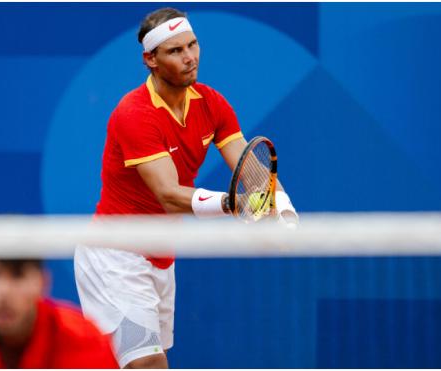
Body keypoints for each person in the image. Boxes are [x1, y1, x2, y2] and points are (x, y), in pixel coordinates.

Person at [73, 7, 299, 369]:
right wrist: (234, 205)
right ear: (151, 59)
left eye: (192, 45)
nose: (190, 57)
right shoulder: (134, 114)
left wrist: (283, 212)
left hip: (162, 258)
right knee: (147, 364)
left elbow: (251, 168)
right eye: (176, 51)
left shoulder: (211, 103)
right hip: (115, 257)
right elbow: (168, 193)